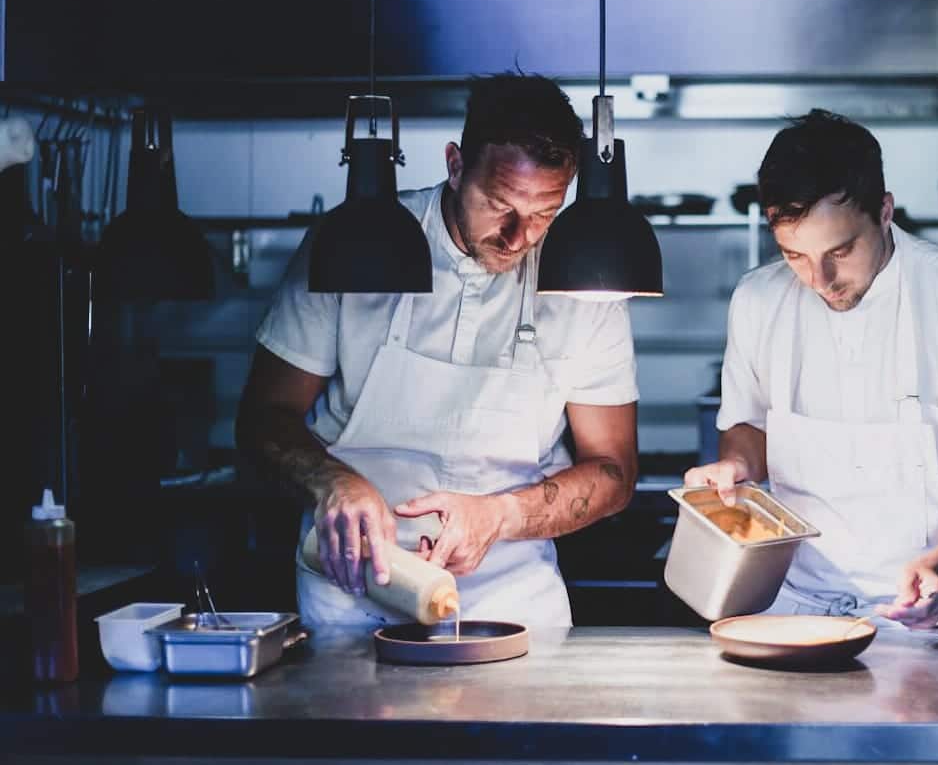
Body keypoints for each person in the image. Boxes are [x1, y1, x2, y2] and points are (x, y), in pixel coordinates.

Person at [235, 73, 640, 627]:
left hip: (512, 597)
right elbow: (262, 418)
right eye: (499, 204)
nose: (519, 237)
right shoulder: (354, 244)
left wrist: (501, 515)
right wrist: (331, 480)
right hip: (354, 589)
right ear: (455, 165)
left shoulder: (588, 278)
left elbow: (614, 473)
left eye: (544, 213)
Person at [685, 110, 938, 630]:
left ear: (884, 211)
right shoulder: (756, 300)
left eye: (840, 250)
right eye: (795, 254)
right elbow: (750, 429)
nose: (820, 278)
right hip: (795, 612)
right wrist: (736, 468)